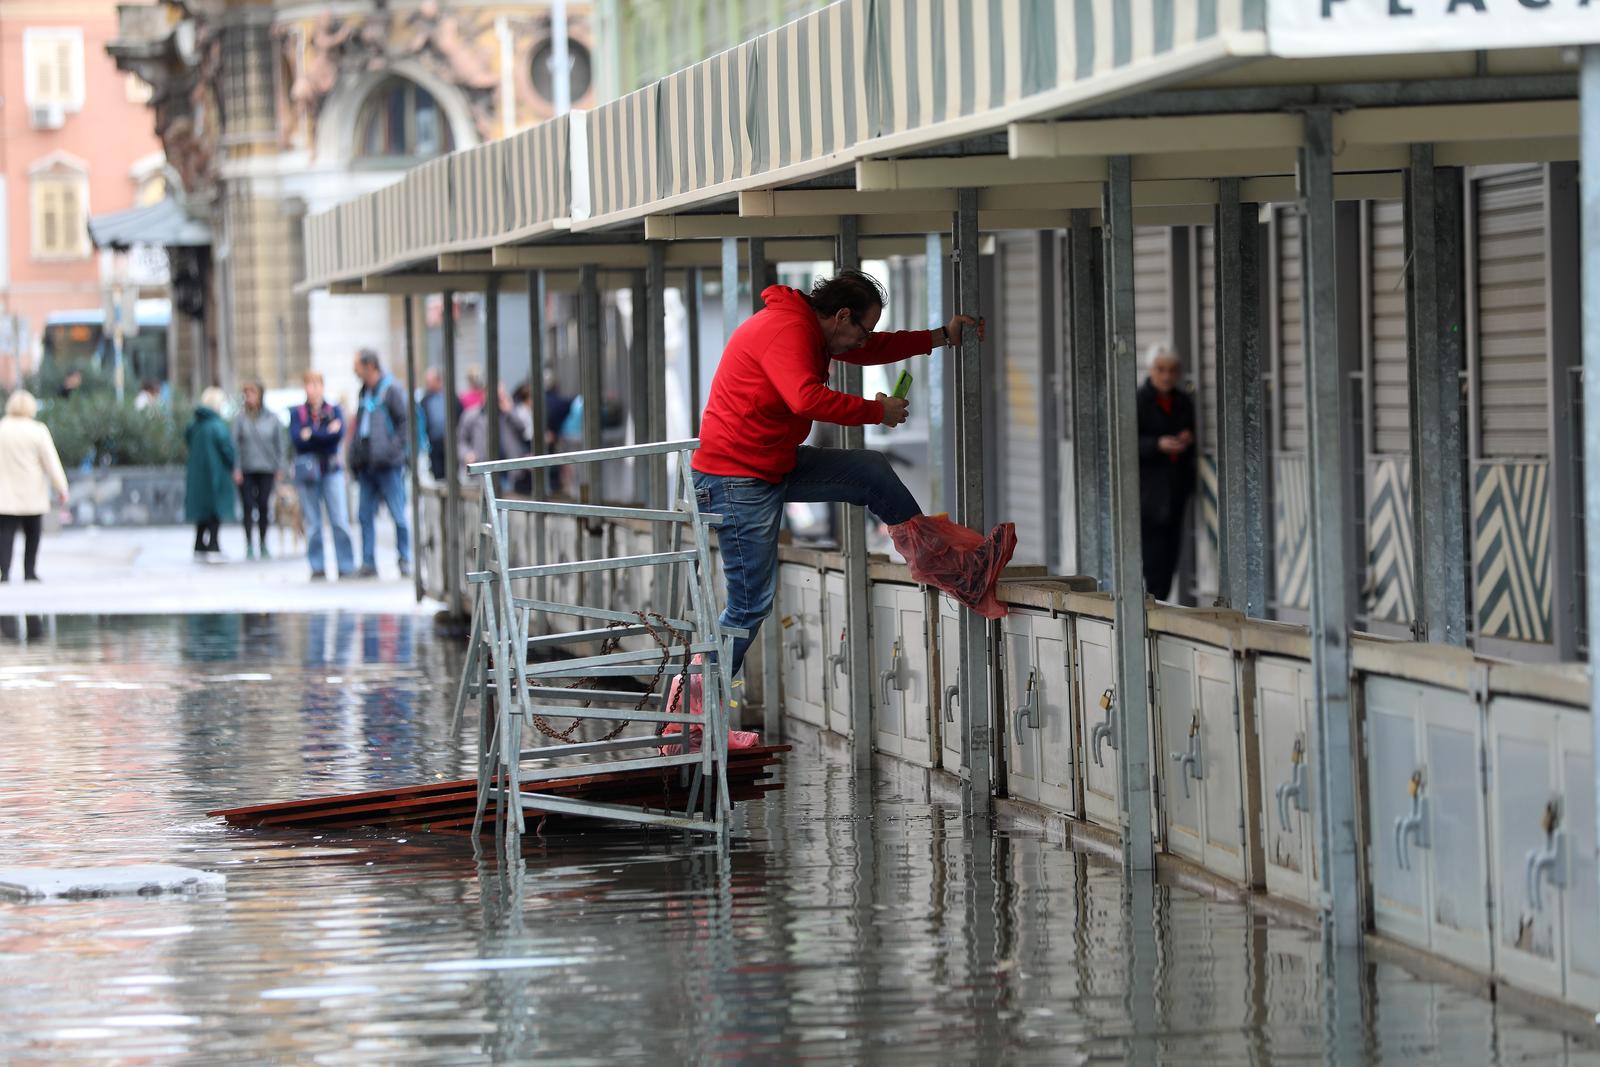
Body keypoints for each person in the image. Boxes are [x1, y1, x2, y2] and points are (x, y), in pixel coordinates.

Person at [692, 270, 1000, 678]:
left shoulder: (812, 330)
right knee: (750, 602)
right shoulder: (788, 329)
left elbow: (873, 350)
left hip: (769, 462)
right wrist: (876, 411)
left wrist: (941, 335)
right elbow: (805, 399)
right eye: (864, 329)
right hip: (735, 478)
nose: (865, 339)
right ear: (841, 316)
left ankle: (945, 566)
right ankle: (693, 701)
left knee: (868, 469)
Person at [1137, 343, 1197, 601]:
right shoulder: (1139, 400)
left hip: (1175, 487)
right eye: (1161, 369)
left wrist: (1186, 437)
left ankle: (1162, 598)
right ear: (1151, 370)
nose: (1167, 376)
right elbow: (1128, 441)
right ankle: (1153, 599)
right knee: (1153, 552)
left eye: (1172, 370)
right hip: (1147, 489)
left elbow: (1190, 431)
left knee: (1171, 552)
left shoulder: (1183, 401)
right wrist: (1157, 444)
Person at [348, 348, 411, 579]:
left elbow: (405, 423)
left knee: (398, 514)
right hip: (367, 465)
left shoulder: (391, 390)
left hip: (388, 465)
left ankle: (405, 559)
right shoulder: (364, 391)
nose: (355, 370)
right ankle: (368, 563)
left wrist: (392, 451)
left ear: (370, 366)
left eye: (357, 366)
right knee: (364, 515)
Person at [290, 370, 355, 580]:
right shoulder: (298, 413)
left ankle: (346, 565)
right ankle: (317, 566)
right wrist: (324, 432)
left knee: (339, 520)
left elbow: (335, 438)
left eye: (316, 384)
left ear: (322, 387)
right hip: (308, 474)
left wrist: (312, 434)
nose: (312, 389)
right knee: (313, 523)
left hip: (331, 471)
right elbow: (298, 440)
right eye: (308, 385)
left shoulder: (333, 409)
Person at [0, 390, 69, 582]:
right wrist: (61, 488)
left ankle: (3, 572)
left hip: (5, 492)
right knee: (33, 533)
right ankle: (29, 572)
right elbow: (51, 462)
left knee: (5, 534)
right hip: (32, 491)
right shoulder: (38, 430)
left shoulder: (2, 428)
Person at [232, 380, 284, 560]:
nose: (250, 397)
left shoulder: (272, 418)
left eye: (253, 393)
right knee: (247, 506)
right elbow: (235, 445)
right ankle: (248, 544)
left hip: (266, 468)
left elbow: (280, 444)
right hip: (246, 468)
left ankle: (263, 543)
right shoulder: (240, 419)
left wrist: (279, 466)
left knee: (263, 504)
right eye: (247, 393)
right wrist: (236, 468)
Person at [185, 387, 237, 562]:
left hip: (197, 474)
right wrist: (233, 464)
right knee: (216, 509)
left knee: (202, 510)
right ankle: (213, 545)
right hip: (216, 474)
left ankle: (199, 545)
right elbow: (227, 450)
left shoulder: (195, 424)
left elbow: (187, 439)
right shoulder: (217, 425)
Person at [458, 383, 531, 470]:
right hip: (483, 466)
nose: (498, 399)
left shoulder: (509, 412)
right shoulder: (471, 415)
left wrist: (510, 412)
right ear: (485, 394)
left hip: (508, 467)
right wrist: (466, 454)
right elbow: (461, 440)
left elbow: (522, 430)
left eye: (501, 395)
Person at [418, 367, 454, 481]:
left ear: (438, 381)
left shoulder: (450, 396)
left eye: (430, 381)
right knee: (438, 477)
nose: (427, 385)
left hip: (450, 443)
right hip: (434, 444)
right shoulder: (425, 400)